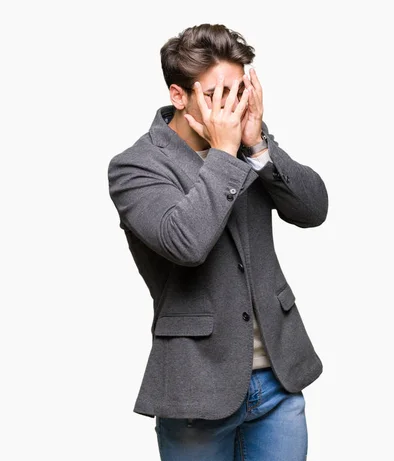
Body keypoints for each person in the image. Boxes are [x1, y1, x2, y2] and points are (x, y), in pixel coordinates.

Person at [107, 23, 328, 460]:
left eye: (238, 91)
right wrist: (226, 154)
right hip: (197, 390)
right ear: (178, 95)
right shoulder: (135, 167)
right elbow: (185, 243)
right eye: (215, 95)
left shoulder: (247, 142)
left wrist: (259, 146)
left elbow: (313, 209)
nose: (230, 108)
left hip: (278, 382)